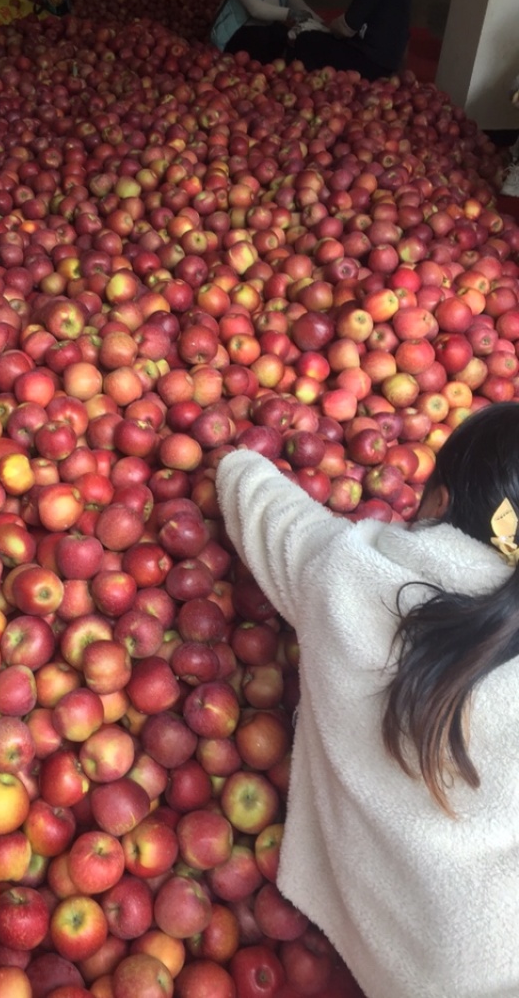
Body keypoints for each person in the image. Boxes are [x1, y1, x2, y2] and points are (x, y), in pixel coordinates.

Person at [215, 402, 519, 998]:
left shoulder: (346, 571)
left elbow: (250, 493)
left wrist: (234, 453)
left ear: (436, 501)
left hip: (409, 969)